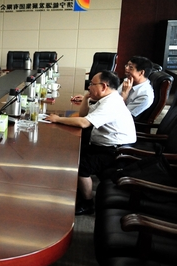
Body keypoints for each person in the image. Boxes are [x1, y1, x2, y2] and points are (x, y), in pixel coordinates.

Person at [47, 71, 136, 215]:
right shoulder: (106, 98)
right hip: (105, 145)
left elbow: (84, 122)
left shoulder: (111, 103)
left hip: (117, 151)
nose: (89, 87)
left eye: (92, 84)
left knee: (82, 165)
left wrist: (57, 119)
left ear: (104, 86)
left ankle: (88, 203)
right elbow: (84, 115)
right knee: (72, 152)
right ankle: (73, 190)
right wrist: (86, 98)